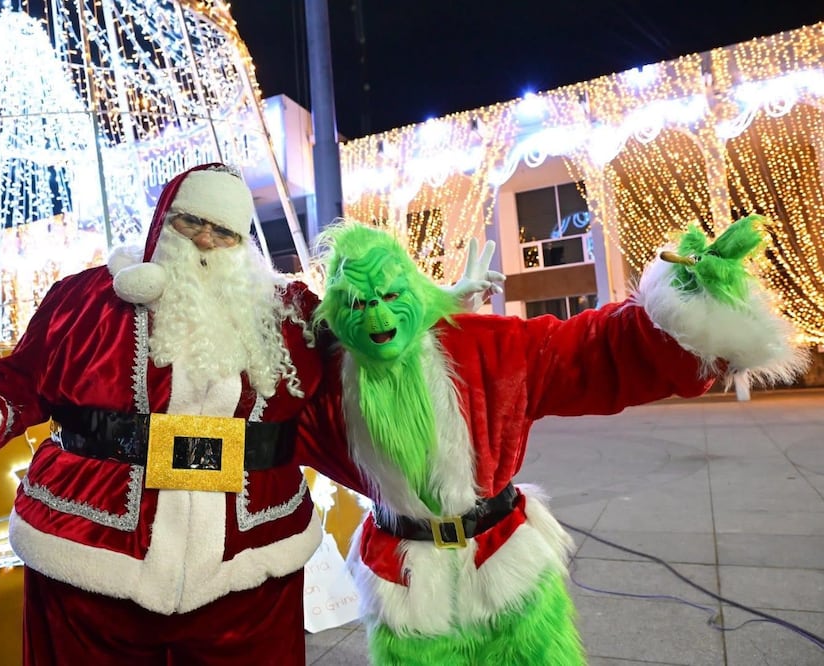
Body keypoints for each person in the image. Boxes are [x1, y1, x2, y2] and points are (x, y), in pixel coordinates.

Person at [0, 163, 371, 665]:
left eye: (223, 231)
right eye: (191, 222)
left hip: (250, 562)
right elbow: (18, 383)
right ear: (162, 222)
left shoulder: (291, 314)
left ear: (243, 241)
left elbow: (366, 373)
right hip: (94, 558)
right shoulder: (85, 300)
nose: (206, 240)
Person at [299, 217, 807, 665]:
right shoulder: (325, 392)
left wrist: (692, 301)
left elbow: (591, 350)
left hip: (505, 568)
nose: (378, 319)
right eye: (359, 303)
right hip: (404, 588)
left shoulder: (486, 348)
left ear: (415, 290)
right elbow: (259, 433)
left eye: (390, 297)